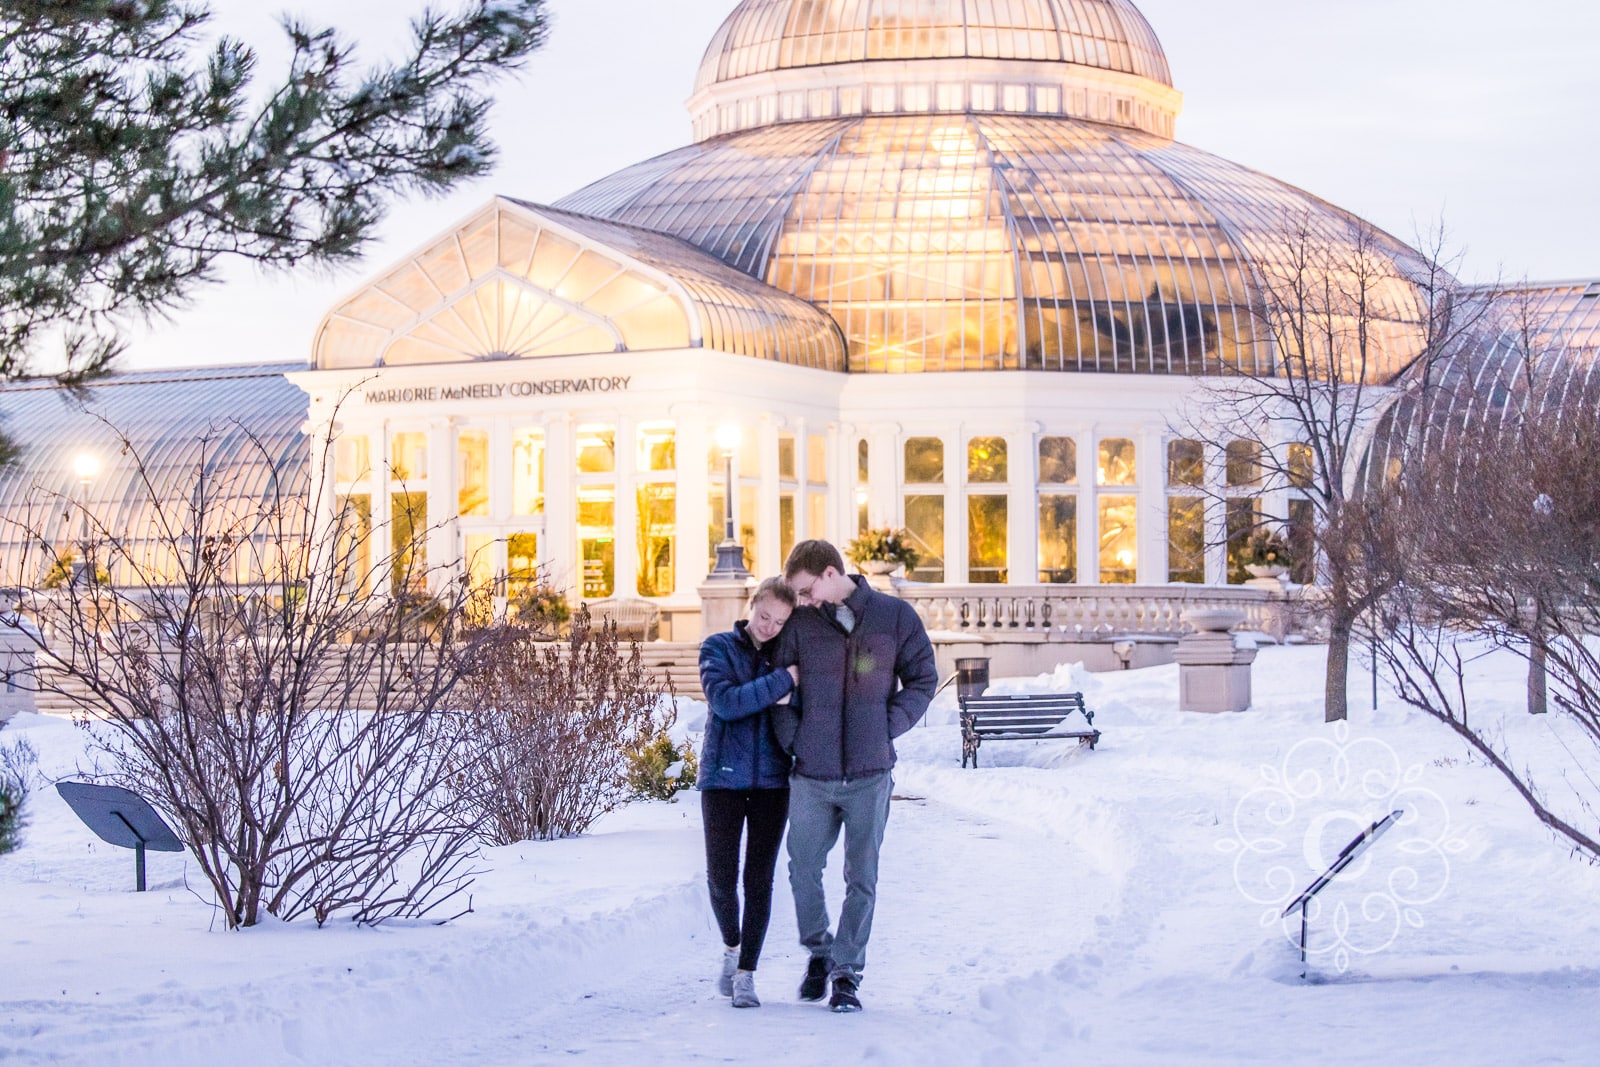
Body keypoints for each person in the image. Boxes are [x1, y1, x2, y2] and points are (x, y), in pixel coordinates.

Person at [770, 539, 937, 1013]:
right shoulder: (801, 624)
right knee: (802, 868)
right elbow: (781, 685)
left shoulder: (894, 617)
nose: (804, 601)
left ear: (828, 573)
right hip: (812, 775)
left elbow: (923, 678)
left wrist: (887, 726)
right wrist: (795, 740)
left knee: (861, 877)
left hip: (870, 774)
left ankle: (846, 974)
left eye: (806, 590)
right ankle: (820, 952)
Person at [696, 577, 799, 1009]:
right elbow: (726, 703)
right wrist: (780, 685)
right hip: (722, 779)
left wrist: (786, 687)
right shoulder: (717, 648)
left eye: (779, 622)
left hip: (773, 784)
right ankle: (731, 945)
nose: (769, 627)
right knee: (721, 879)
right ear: (752, 605)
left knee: (759, 882)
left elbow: (801, 707)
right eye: (764, 616)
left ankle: (746, 975)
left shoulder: (788, 655)